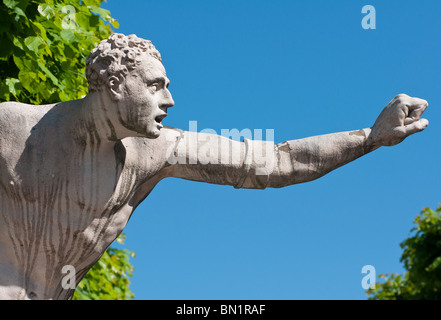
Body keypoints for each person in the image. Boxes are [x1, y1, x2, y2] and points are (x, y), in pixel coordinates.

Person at [0, 33, 429, 299]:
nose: (169, 100)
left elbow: (277, 160)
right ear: (114, 85)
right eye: (155, 86)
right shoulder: (12, 127)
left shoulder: (156, 152)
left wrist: (370, 138)